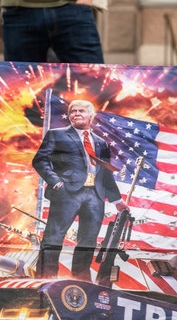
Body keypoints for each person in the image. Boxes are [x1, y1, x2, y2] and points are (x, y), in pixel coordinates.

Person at [32, 99, 127, 281]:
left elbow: (106, 174)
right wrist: (56, 182)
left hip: (95, 195)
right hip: (67, 192)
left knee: (88, 241)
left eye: (81, 111)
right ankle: (45, 278)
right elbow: (40, 160)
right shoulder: (56, 135)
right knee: (54, 236)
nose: (76, 114)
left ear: (90, 115)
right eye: (73, 111)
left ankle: (82, 280)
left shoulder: (101, 143)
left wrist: (117, 200)